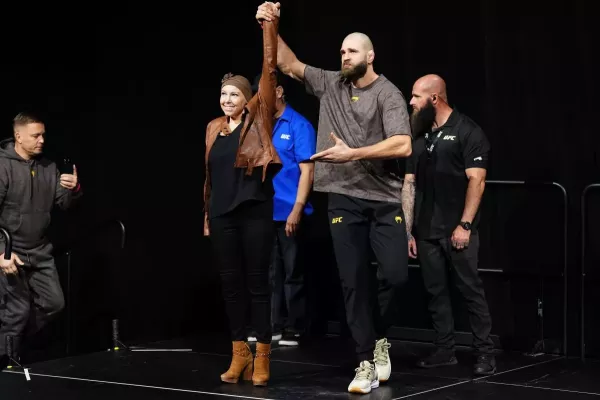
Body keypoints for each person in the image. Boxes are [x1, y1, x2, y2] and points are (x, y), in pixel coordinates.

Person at [256, 3, 413, 394]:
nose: (344, 56)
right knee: (353, 281)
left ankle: (378, 338)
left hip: (383, 198)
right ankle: (364, 359)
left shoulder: (387, 93)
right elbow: (288, 63)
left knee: (395, 276)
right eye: (342, 51)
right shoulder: (330, 83)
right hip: (342, 197)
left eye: (352, 51)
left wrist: (353, 153)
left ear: (370, 56)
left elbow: (404, 144)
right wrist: (270, 25)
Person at [203, 4, 282, 387]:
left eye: (235, 94)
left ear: (248, 98)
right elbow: (209, 178)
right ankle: (239, 354)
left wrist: (269, 26)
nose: (228, 99)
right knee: (230, 285)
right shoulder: (213, 128)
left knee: (257, 284)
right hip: (221, 215)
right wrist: (207, 216)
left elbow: (270, 70)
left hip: (253, 211)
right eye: (223, 94)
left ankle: (263, 355)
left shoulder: (259, 118)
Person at [402, 74, 496, 375]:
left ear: (434, 99)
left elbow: (477, 180)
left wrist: (465, 225)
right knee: (435, 292)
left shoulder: (467, 131)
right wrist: (408, 231)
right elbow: (409, 184)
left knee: (470, 291)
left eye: (416, 96)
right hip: (427, 232)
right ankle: (445, 350)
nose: (411, 101)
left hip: (457, 230)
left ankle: (485, 352)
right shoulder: (417, 135)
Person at [0, 112, 82, 368]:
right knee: (16, 313)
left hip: (39, 250)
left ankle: (13, 345)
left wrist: (73, 189)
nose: (42, 140)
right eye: (36, 135)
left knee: (54, 304)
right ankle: (7, 363)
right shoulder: (3, 166)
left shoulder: (49, 166)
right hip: (10, 250)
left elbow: (64, 205)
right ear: (18, 136)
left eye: (43, 134)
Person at [247, 71, 316, 346]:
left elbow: (307, 172)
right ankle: (272, 325)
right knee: (268, 272)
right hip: (265, 211)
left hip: (290, 210)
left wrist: (297, 208)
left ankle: (294, 326)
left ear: (278, 92)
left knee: (292, 271)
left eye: (265, 92)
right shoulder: (259, 125)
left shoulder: (299, 125)